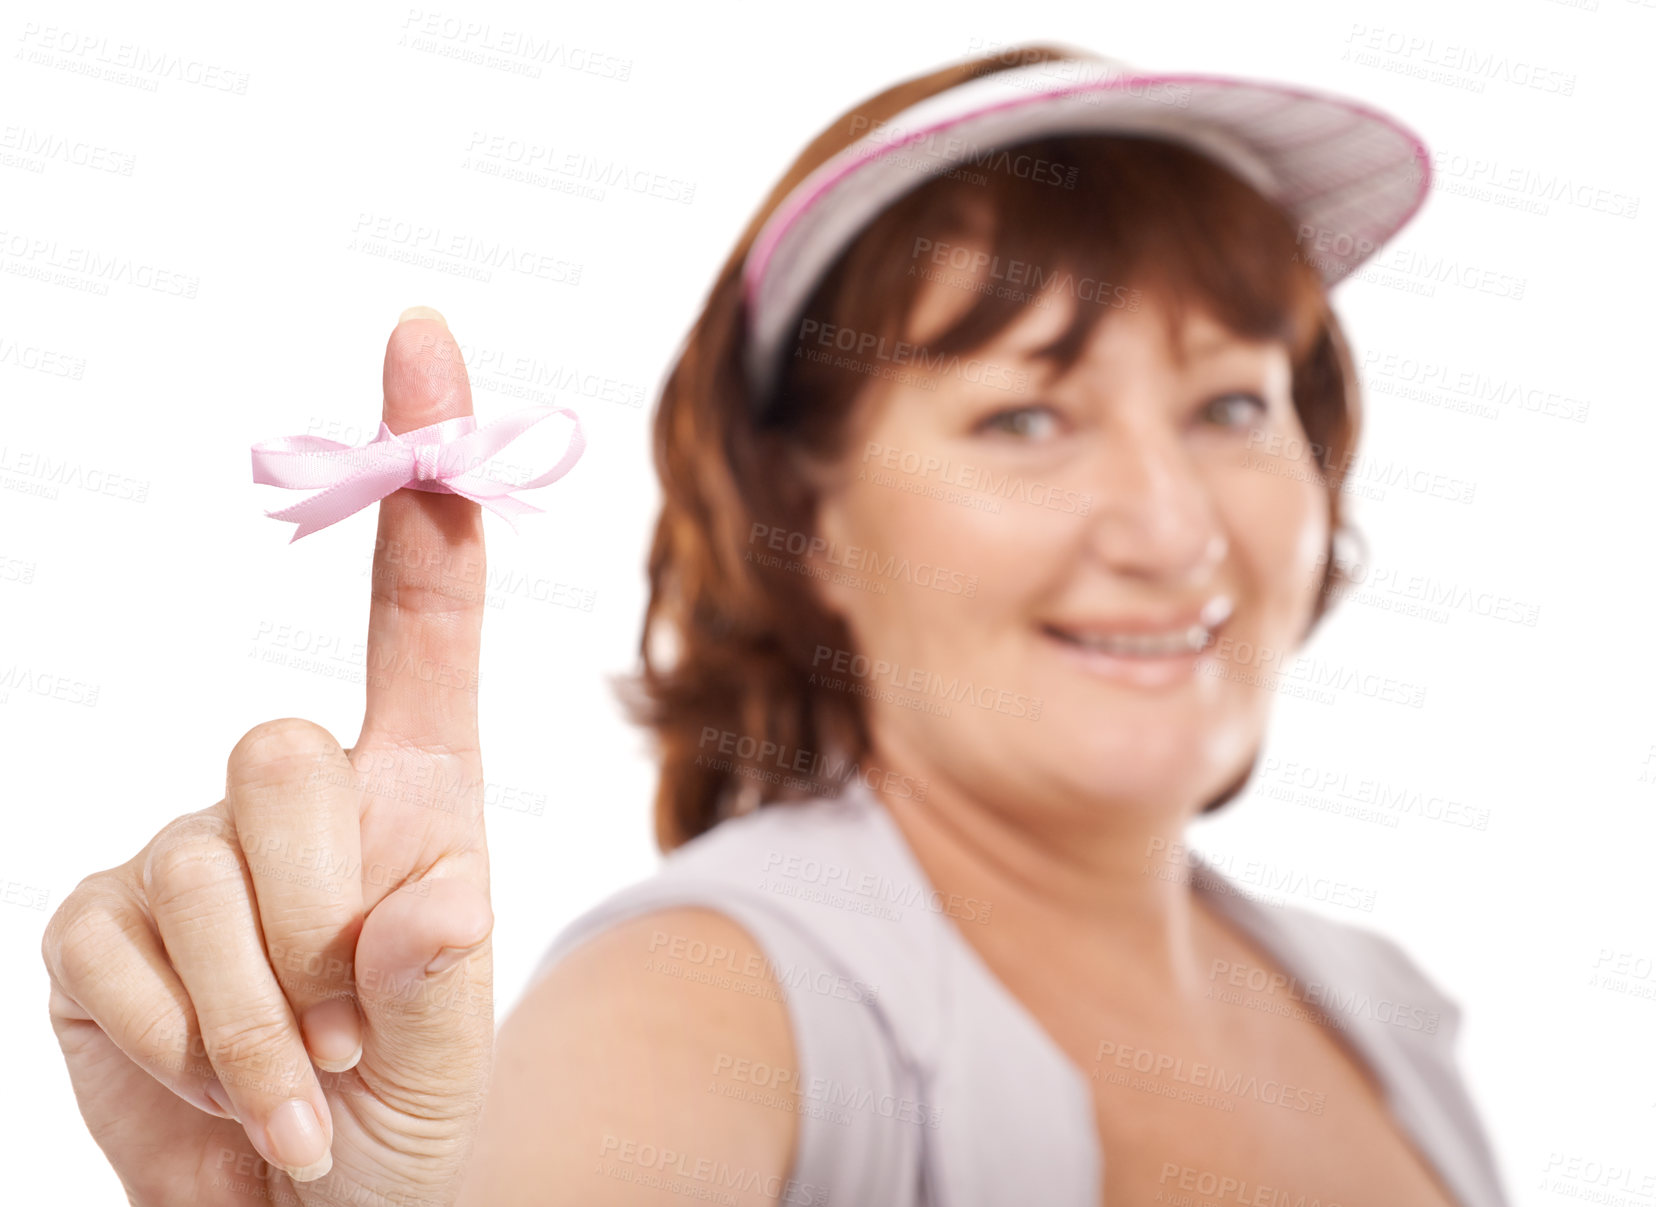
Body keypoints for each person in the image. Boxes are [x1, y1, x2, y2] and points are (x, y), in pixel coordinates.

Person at [39, 43, 1510, 1207]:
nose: (1172, 527)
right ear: (808, 520)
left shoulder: (1387, 1014)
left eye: (1234, 404)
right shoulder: (714, 997)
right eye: (1025, 415)